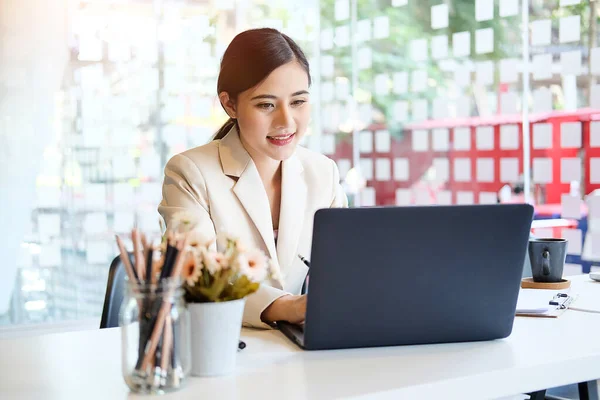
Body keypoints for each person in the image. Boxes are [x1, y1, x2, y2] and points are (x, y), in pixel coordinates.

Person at [158, 28, 348, 329]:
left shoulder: (323, 174)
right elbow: (198, 278)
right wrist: (287, 307)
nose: (286, 121)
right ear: (230, 104)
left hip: (297, 349)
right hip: (220, 346)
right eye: (266, 105)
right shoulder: (190, 172)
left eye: (298, 102)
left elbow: (345, 274)